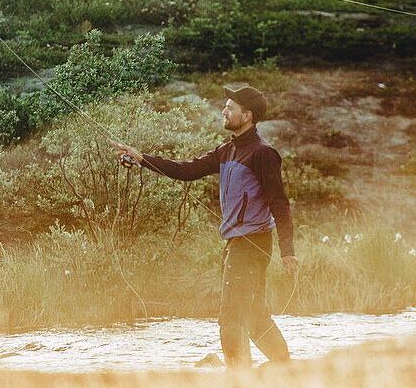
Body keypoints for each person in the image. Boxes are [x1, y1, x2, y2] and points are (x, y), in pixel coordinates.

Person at [109, 84, 298, 367]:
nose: (224, 110)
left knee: (231, 315)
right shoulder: (227, 151)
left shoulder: (262, 153)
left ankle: (239, 378)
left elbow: (279, 202)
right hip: (238, 245)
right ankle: (283, 365)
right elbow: (185, 170)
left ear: (247, 115)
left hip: (252, 244)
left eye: (230, 108)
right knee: (255, 314)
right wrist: (141, 158)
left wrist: (287, 250)